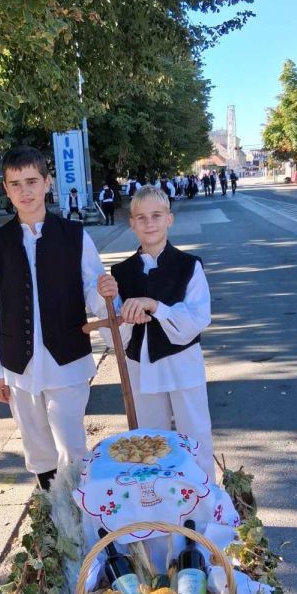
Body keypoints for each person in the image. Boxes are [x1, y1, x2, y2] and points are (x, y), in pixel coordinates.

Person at [0, 146, 105, 491]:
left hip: (67, 360)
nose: (24, 191)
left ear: (48, 183)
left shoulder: (75, 236)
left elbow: (93, 288)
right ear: (5, 188)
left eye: (32, 181)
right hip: (20, 366)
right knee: (39, 451)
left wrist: (109, 300)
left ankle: (85, 526)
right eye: (15, 184)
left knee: (71, 445)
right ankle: (55, 522)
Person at [91, 185, 215, 479]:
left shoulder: (189, 266)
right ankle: (157, 502)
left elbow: (199, 317)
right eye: (142, 217)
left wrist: (156, 307)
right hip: (141, 365)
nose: (150, 223)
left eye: (157, 215)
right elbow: (114, 330)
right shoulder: (120, 272)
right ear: (132, 223)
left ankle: (204, 500)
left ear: (169, 219)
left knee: (195, 433)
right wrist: (104, 296)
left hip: (181, 362)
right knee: (149, 438)